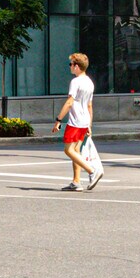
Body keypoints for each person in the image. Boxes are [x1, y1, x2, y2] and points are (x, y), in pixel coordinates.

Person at [52, 52, 102, 191]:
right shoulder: (89, 82)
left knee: (68, 150)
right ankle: (76, 181)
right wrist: (89, 124)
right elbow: (90, 105)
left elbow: (69, 102)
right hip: (85, 120)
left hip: (75, 121)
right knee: (76, 150)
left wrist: (58, 120)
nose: (70, 67)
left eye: (71, 64)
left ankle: (92, 171)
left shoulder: (75, 82)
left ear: (77, 66)